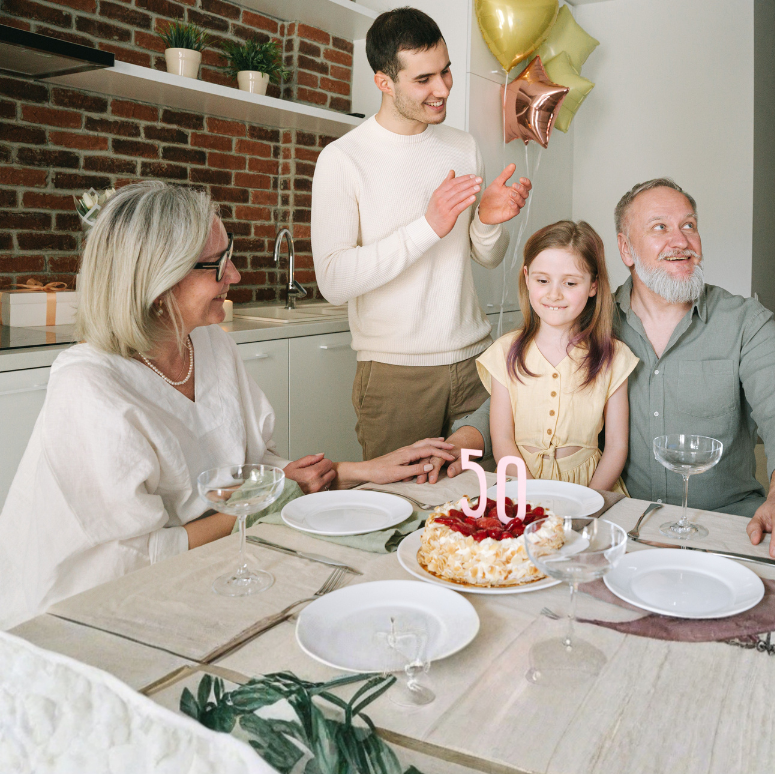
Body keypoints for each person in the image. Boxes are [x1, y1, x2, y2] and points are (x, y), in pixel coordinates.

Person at [0, 181, 460, 630]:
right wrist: (276, 497)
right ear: (159, 281)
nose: (235, 275)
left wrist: (365, 469)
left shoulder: (210, 345)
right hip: (78, 611)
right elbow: (135, 556)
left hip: (204, 566)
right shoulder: (89, 385)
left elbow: (250, 471)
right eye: (217, 265)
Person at [453, 178, 775, 570]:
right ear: (626, 249)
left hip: (724, 520)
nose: (681, 241)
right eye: (660, 227)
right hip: (622, 520)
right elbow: (521, 393)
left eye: (689, 225)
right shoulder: (587, 321)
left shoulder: (745, 322)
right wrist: (459, 442)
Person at [311, 7, 532, 465]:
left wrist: (488, 223)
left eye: (446, 71)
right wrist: (426, 227)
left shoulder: (462, 145)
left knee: (482, 508)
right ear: (384, 82)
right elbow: (332, 280)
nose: (442, 89)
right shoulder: (343, 158)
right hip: (395, 376)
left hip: (475, 363)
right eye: (424, 79)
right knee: (401, 513)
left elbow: (483, 256)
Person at [477, 220, 637, 491]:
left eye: (570, 283)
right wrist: (531, 495)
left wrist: (590, 502)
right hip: (521, 486)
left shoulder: (614, 356)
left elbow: (616, 446)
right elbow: (502, 439)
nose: (554, 294)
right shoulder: (503, 352)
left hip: (590, 489)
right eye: (542, 280)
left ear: (593, 286)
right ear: (527, 278)